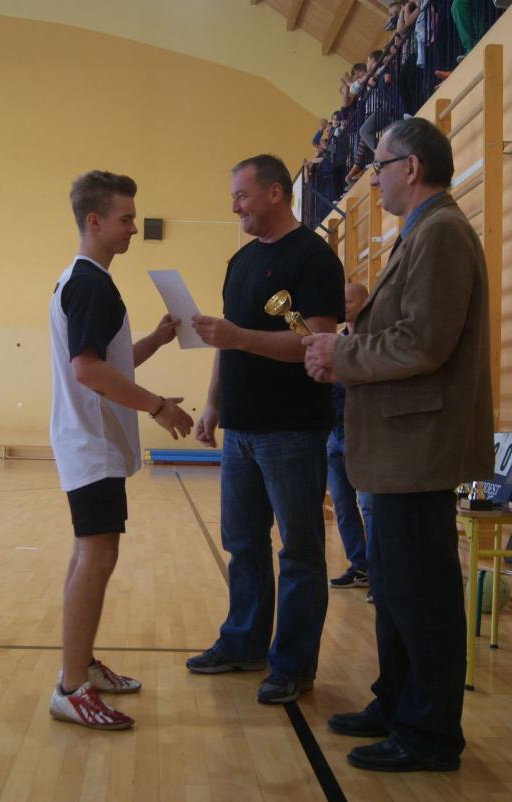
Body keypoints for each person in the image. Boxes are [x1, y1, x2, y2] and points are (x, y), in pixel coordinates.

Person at [303, 118, 493, 772]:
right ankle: (397, 703)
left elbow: (422, 343)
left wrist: (342, 354)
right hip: (400, 449)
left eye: (379, 166)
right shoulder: (422, 232)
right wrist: (347, 347)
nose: (372, 177)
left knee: (422, 596)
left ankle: (430, 733)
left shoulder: (440, 233)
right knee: (395, 588)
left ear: (410, 167)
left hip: (418, 449)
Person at [186, 154, 345, 704]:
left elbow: (315, 342)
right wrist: (212, 404)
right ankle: (244, 643)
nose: (234, 206)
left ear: (276, 193)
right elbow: (225, 344)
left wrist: (237, 338)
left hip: (293, 431)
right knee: (242, 543)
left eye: (242, 195)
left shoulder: (315, 258)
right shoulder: (240, 262)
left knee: (299, 552)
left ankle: (293, 665)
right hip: (241, 430)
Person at [48, 170, 194, 730]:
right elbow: (87, 371)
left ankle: (80, 664)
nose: (134, 228)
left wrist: (154, 341)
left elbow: (108, 363)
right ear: (94, 221)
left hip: (89, 440)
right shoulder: (91, 284)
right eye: (126, 218)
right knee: (97, 556)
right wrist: (157, 406)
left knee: (89, 554)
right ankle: (71, 687)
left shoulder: (81, 280)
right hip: (93, 442)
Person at [327, 282, 373, 590]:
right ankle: (360, 567)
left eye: (348, 300)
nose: (342, 305)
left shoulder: (374, 342)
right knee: (343, 506)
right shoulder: (335, 341)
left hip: (364, 435)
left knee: (369, 507)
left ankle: (380, 576)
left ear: (365, 303)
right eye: (339, 300)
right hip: (333, 434)